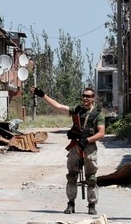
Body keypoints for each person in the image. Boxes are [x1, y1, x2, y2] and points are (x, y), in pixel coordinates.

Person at [31, 86, 105, 215]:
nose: (85, 98)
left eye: (88, 96)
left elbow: (101, 133)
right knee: (72, 176)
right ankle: (71, 204)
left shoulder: (98, 114)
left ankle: (92, 205)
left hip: (89, 148)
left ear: (93, 98)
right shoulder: (77, 110)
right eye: (84, 95)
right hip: (75, 147)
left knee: (91, 178)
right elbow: (58, 107)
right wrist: (42, 95)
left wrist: (87, 140)